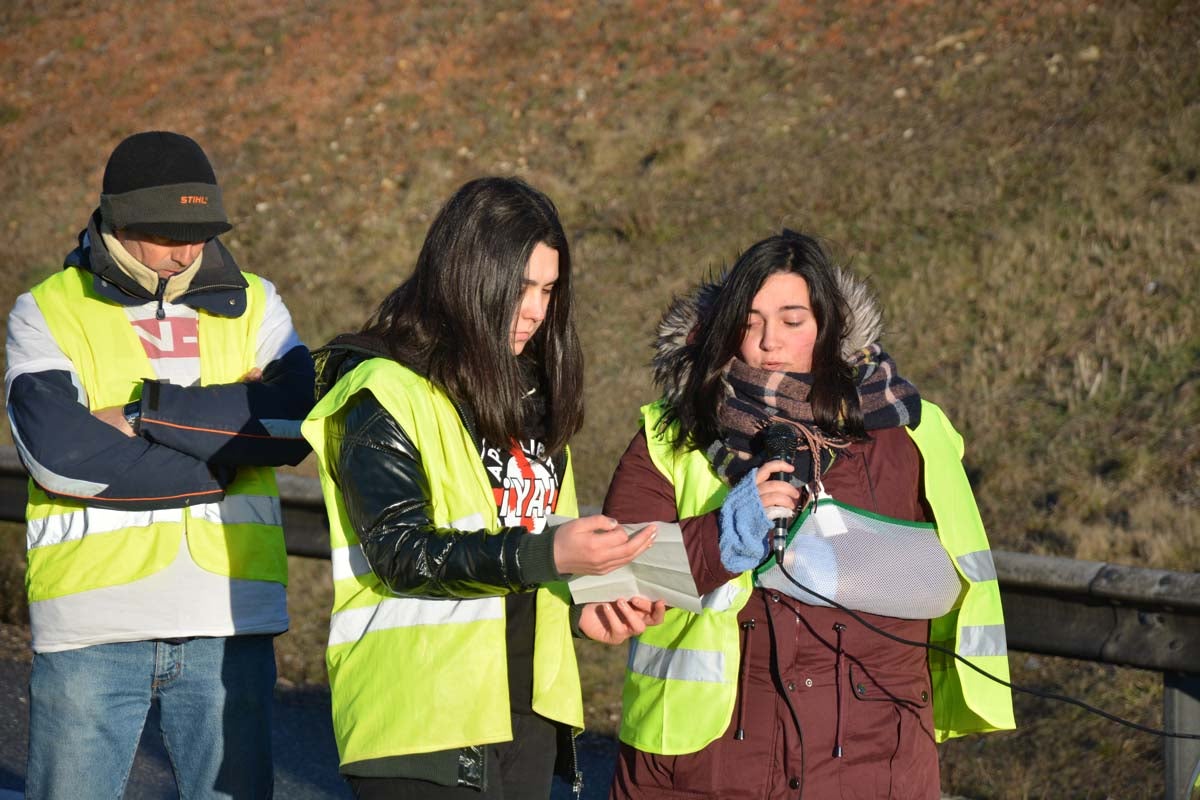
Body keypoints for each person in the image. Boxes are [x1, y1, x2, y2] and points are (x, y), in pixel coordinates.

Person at [603, 230, 1016, 799]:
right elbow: (613, 583)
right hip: (709, 769)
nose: (769, 342)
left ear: (829, 326)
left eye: (792, 320)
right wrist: (724, 536)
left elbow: (944, 578)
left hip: (874, 761)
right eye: (750, 323)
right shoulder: (671, 435)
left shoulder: (913, 433)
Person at [301, 176, 665, 799]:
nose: (536, 310)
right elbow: (403, 554)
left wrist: (588, 606)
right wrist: (548, 555)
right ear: (468, 278)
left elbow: (536, 550)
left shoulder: (534, 402)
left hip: (525, 718)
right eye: (520, 288)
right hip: (422, 723)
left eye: (549, 290)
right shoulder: (380, 391)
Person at [4, 130, 315, 799]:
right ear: (117, 221)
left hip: (230, 619)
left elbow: (293, 426)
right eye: (168, 231)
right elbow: (64, 459)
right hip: (93, 622)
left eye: (200, 230)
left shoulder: (259, 302)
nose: (187, 248)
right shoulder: (46, 311)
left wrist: (143, 412)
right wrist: (225, 456)